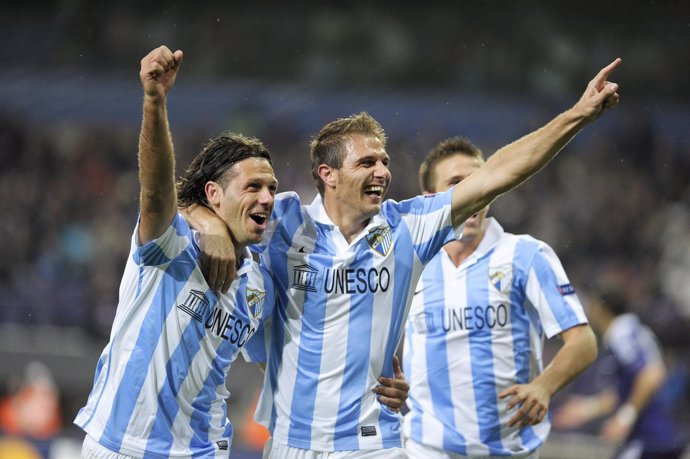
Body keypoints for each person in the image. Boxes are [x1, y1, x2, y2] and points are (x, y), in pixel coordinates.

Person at [186, 59, 621, 458]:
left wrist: (577, 114)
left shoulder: (408, 227)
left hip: (373, 445)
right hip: (289, 443)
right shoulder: (282, 221)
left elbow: (498, 175)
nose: (383, 172)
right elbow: (195, 201)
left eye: (385, 161)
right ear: (328, 174)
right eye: (368, 162)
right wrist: (206, 224)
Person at [73, 45, 279, 458]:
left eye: (272, 188)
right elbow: (156, 193)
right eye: (253, 187)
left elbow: (269, 363)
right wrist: (154, 102)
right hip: (122, 445)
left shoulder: (260, 285)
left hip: (201, 450)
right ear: (214, 195)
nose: (268, 198)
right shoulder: (172, 244)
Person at [402, 136, 598, 459]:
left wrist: (544, 386)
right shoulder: (409, 262)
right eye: (457, 183)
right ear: (431, 198)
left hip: (510, 451)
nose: (474, 192)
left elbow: (584, 341)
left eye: (481, 181)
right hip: (426, 449)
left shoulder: (526, 255)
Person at [553, 288, 686, 459]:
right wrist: (586, 409)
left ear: (600, 308)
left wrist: (625, 418)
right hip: (658, 437)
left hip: (649, 436)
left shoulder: (621, 333)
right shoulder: (631, 329)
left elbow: (651, 375)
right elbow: (623, 393)